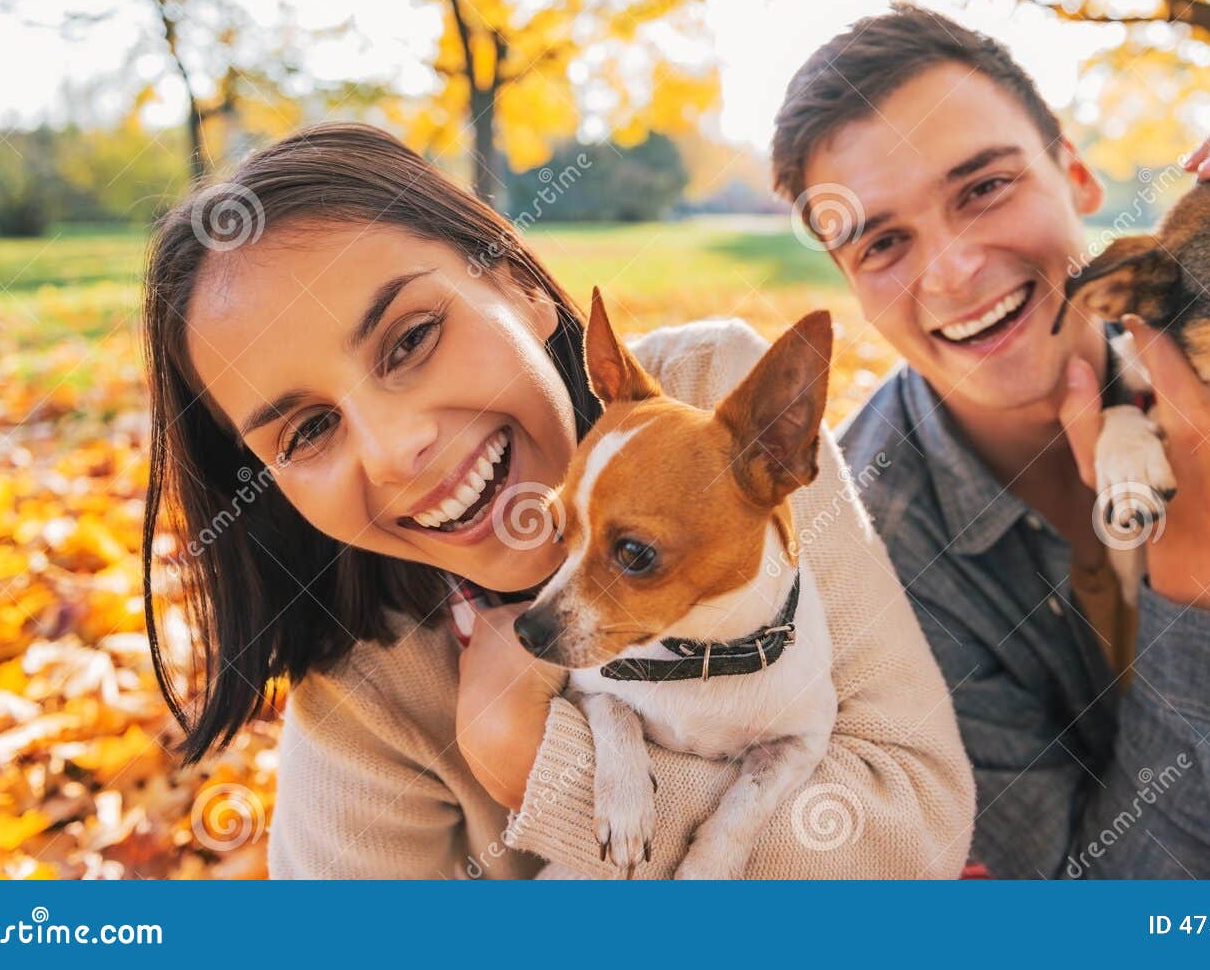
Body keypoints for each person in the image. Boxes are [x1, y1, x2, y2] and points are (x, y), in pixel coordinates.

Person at [139, 122, 975, 879]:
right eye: (310, 429)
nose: (399, 449)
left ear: (520, 285)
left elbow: (919, 831)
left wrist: (550, 764)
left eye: (412, 339)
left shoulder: (714, 401)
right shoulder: (365, 706)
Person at [771, 3, 1210, 878]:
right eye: (883, 242)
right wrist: (1207, 577)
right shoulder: (869, 565)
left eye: (985, 187)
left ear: (1075, 174)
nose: (954, 271)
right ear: (848, 280)